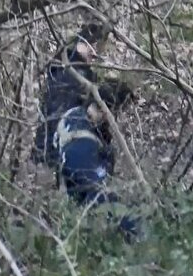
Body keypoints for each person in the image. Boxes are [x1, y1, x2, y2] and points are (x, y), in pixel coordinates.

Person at [54, 100, 139, 240]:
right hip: (83, 175)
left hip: (67, 174)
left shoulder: (73, 114)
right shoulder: (86, 146)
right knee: (106, 200)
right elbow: (97, 190)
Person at [33, 22, 111, 167]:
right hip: (63, 149)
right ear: (81, 44)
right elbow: (69, 112)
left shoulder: (58, 70)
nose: (94, 54)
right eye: (92, 46)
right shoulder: (76, 75)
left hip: (47, 149)